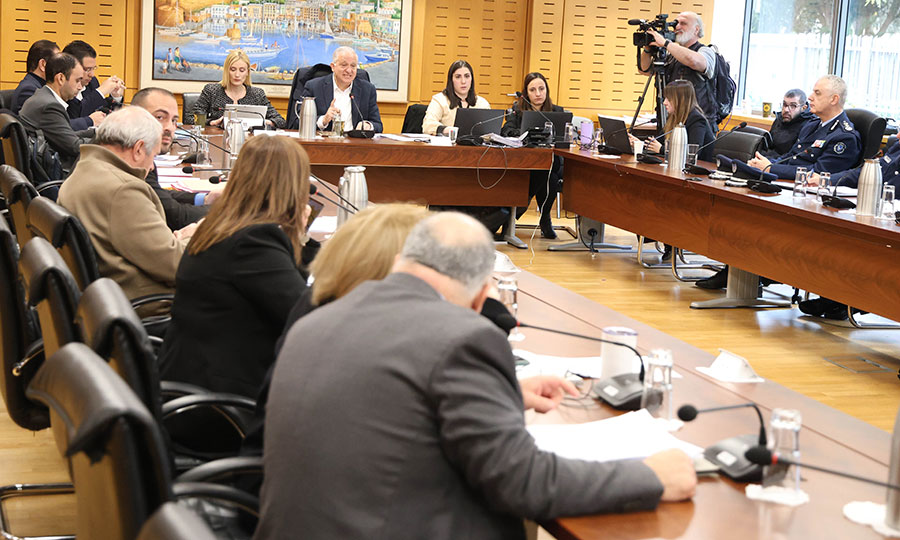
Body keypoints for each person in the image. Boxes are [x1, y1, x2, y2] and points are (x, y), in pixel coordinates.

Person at [256, 212, 697, 540]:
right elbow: (523, 482)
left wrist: (500, 395)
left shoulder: (317, 320)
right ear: (482, 295)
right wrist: (651, 476)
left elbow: (387, 400)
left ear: (403, 260)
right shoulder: (463, 337)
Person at [158, 135, 311, 398]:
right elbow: (305, 317)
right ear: (291, 186)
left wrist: (296, 236)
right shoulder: (253, 243)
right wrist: (298, 234)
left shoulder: (222, 224)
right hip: (224, 399)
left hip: (193, 375)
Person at [57, 106, 195, 311]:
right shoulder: (123, 191)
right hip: (149, 308)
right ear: (139, 149)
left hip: (104, 302)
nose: (151, 167)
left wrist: (173, 241)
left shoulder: (86, 168)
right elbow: (177, 265)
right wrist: (196, 236)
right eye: (153, 156)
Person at [131, 87, 222, 230]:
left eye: (174, 120)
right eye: (160, 117)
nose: (169, 127)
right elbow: (175, 216)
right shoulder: (133, 158)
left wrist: (204, 199)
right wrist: (230, 210)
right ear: (134, 118)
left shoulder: (140, 151)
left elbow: (156, 194)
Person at [746, 75, 861, 181]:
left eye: (817, 93)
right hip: (787, 181)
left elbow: (818, 172)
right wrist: (764, 163)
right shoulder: (812, 124)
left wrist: (771, 168)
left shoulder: (845, 137)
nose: (810, 97)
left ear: (834, 99)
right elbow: (791, 157)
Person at [501, 72, 565, 238]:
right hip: (525, 163)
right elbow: (506, 131)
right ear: (526, 93)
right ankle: (545, 220)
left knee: (550, 172)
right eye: (532, 90)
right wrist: (528, 133)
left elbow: (565, 137)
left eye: (541, 89)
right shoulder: (517, 110)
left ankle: (519, 212)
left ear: (547, 90)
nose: (538, 93)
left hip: (551, 161)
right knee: (548, 176)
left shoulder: (557, 111)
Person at [18, 52, 95, 173]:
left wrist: (96, 133)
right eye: (77, 81)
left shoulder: (42, 96)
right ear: (61, 78)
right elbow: (75, 146)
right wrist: (108, 143)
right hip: (55, 175)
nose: (80, 87)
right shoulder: (49, 106)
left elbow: (67, 135)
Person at [640, 12, 718, 130]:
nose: (677, 27)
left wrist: (666, 43)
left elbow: (694, 61)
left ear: (696, 29)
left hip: (696, 125)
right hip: (671, 122)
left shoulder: (706, 51)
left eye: (683, 23)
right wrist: (647, 48)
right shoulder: (672, 55)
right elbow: (645, 70)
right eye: (676, 23)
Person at [185, 49, 285, 128]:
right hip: (217, 141)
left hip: (248, 143)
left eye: (242, 70)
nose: (237, 75)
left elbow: (280, 121)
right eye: (233, 70)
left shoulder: (257, 94)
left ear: (247, 72)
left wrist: (263, 122)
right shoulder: (212, 91)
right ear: (226, 71)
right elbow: (189, 119)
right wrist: (212, 122)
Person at [302, 46, 383, 132]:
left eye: (353, 66)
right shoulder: (314, 87)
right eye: (344, 65)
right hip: (326, 139)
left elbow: (378, 125)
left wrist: (368, 125)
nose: (349, 70)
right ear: (333, 67)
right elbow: (298, 121)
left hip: (355, 140)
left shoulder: (367, 89)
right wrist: (323, 120)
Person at [634, 79, 715, 162]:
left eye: (669, 99)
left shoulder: (696, 119)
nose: (664, 102)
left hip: (699, 167)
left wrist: (661, 149)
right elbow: (658, 141)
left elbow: (692, 153)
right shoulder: (674, 117)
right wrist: (640, 143)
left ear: (680, 100)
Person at [62, 40, 125, 128]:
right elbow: (78, 114)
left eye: (93, 68)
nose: (92, 74)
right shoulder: (64, 86)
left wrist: (115, 96)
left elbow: (101, 110)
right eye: (87, 69)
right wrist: (101, 91)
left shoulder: (92, 82)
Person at [422, 59, 490, 136]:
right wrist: (448, 130)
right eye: (458, 77)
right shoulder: (440, 100)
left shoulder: (482, 103)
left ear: (472, 79)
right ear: (451, 80)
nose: (463, 81)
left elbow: (490, 131)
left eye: (467, 76)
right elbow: (427, 125)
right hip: (448, 143)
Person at [11, 39, 59, 114]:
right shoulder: (29, 90)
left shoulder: (39, 85)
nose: (60, 68)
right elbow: (49, 119)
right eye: (57, 62)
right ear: (43, 64)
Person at [765, 88, 815, 157]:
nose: (786, 110)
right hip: (768, 158)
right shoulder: (780, 118)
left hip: (784, 161)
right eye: (784, 104)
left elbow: (795, 156)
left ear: (804, 108)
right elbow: (769, 145)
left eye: (793, 106)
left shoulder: (809, 124)